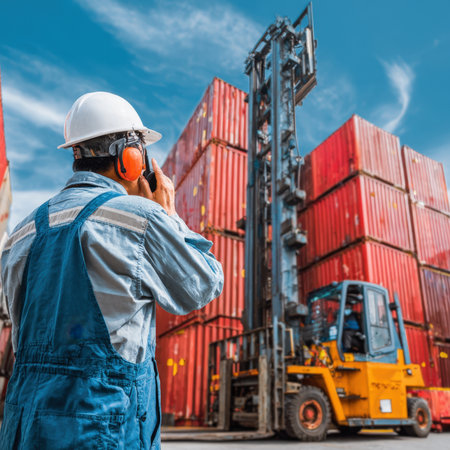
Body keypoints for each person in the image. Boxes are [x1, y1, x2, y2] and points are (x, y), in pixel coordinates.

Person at [0, 92, 224, 449]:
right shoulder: (140, 220)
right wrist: (170, 216)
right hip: (101, 427)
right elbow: (203, 284)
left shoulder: (19, 236)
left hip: (23, 427)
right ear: (130, 161)